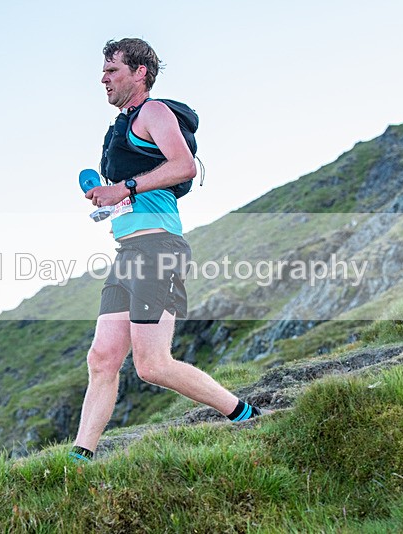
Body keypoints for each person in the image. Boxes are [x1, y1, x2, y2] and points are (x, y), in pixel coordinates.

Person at [69, 38, 261, 464]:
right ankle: (80, 458)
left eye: (112, 70)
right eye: (103, 71)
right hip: (128, 253)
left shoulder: (154, 112)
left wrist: (125, 187)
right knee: (102, 358)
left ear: (139, 73)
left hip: (158, 250)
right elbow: (141, 189)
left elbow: (183, 165)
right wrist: (111, 199)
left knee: (152, 364)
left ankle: (245, 414)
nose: (103, 79)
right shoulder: (119, 128)